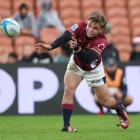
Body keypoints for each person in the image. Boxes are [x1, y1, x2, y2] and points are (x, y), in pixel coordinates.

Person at [35, 11, 129, 132]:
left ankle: (119, 109)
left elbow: (89, 58)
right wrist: (51, 46)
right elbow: (66, 35)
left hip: (93, 69)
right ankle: (66, 126)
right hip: (76, 64)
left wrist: (77, 48)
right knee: (68, 90)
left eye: (95, 28)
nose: (90, 29)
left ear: (101, 30)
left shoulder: (102, 41)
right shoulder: (80, 26)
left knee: (105, 101)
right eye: (89, 25)